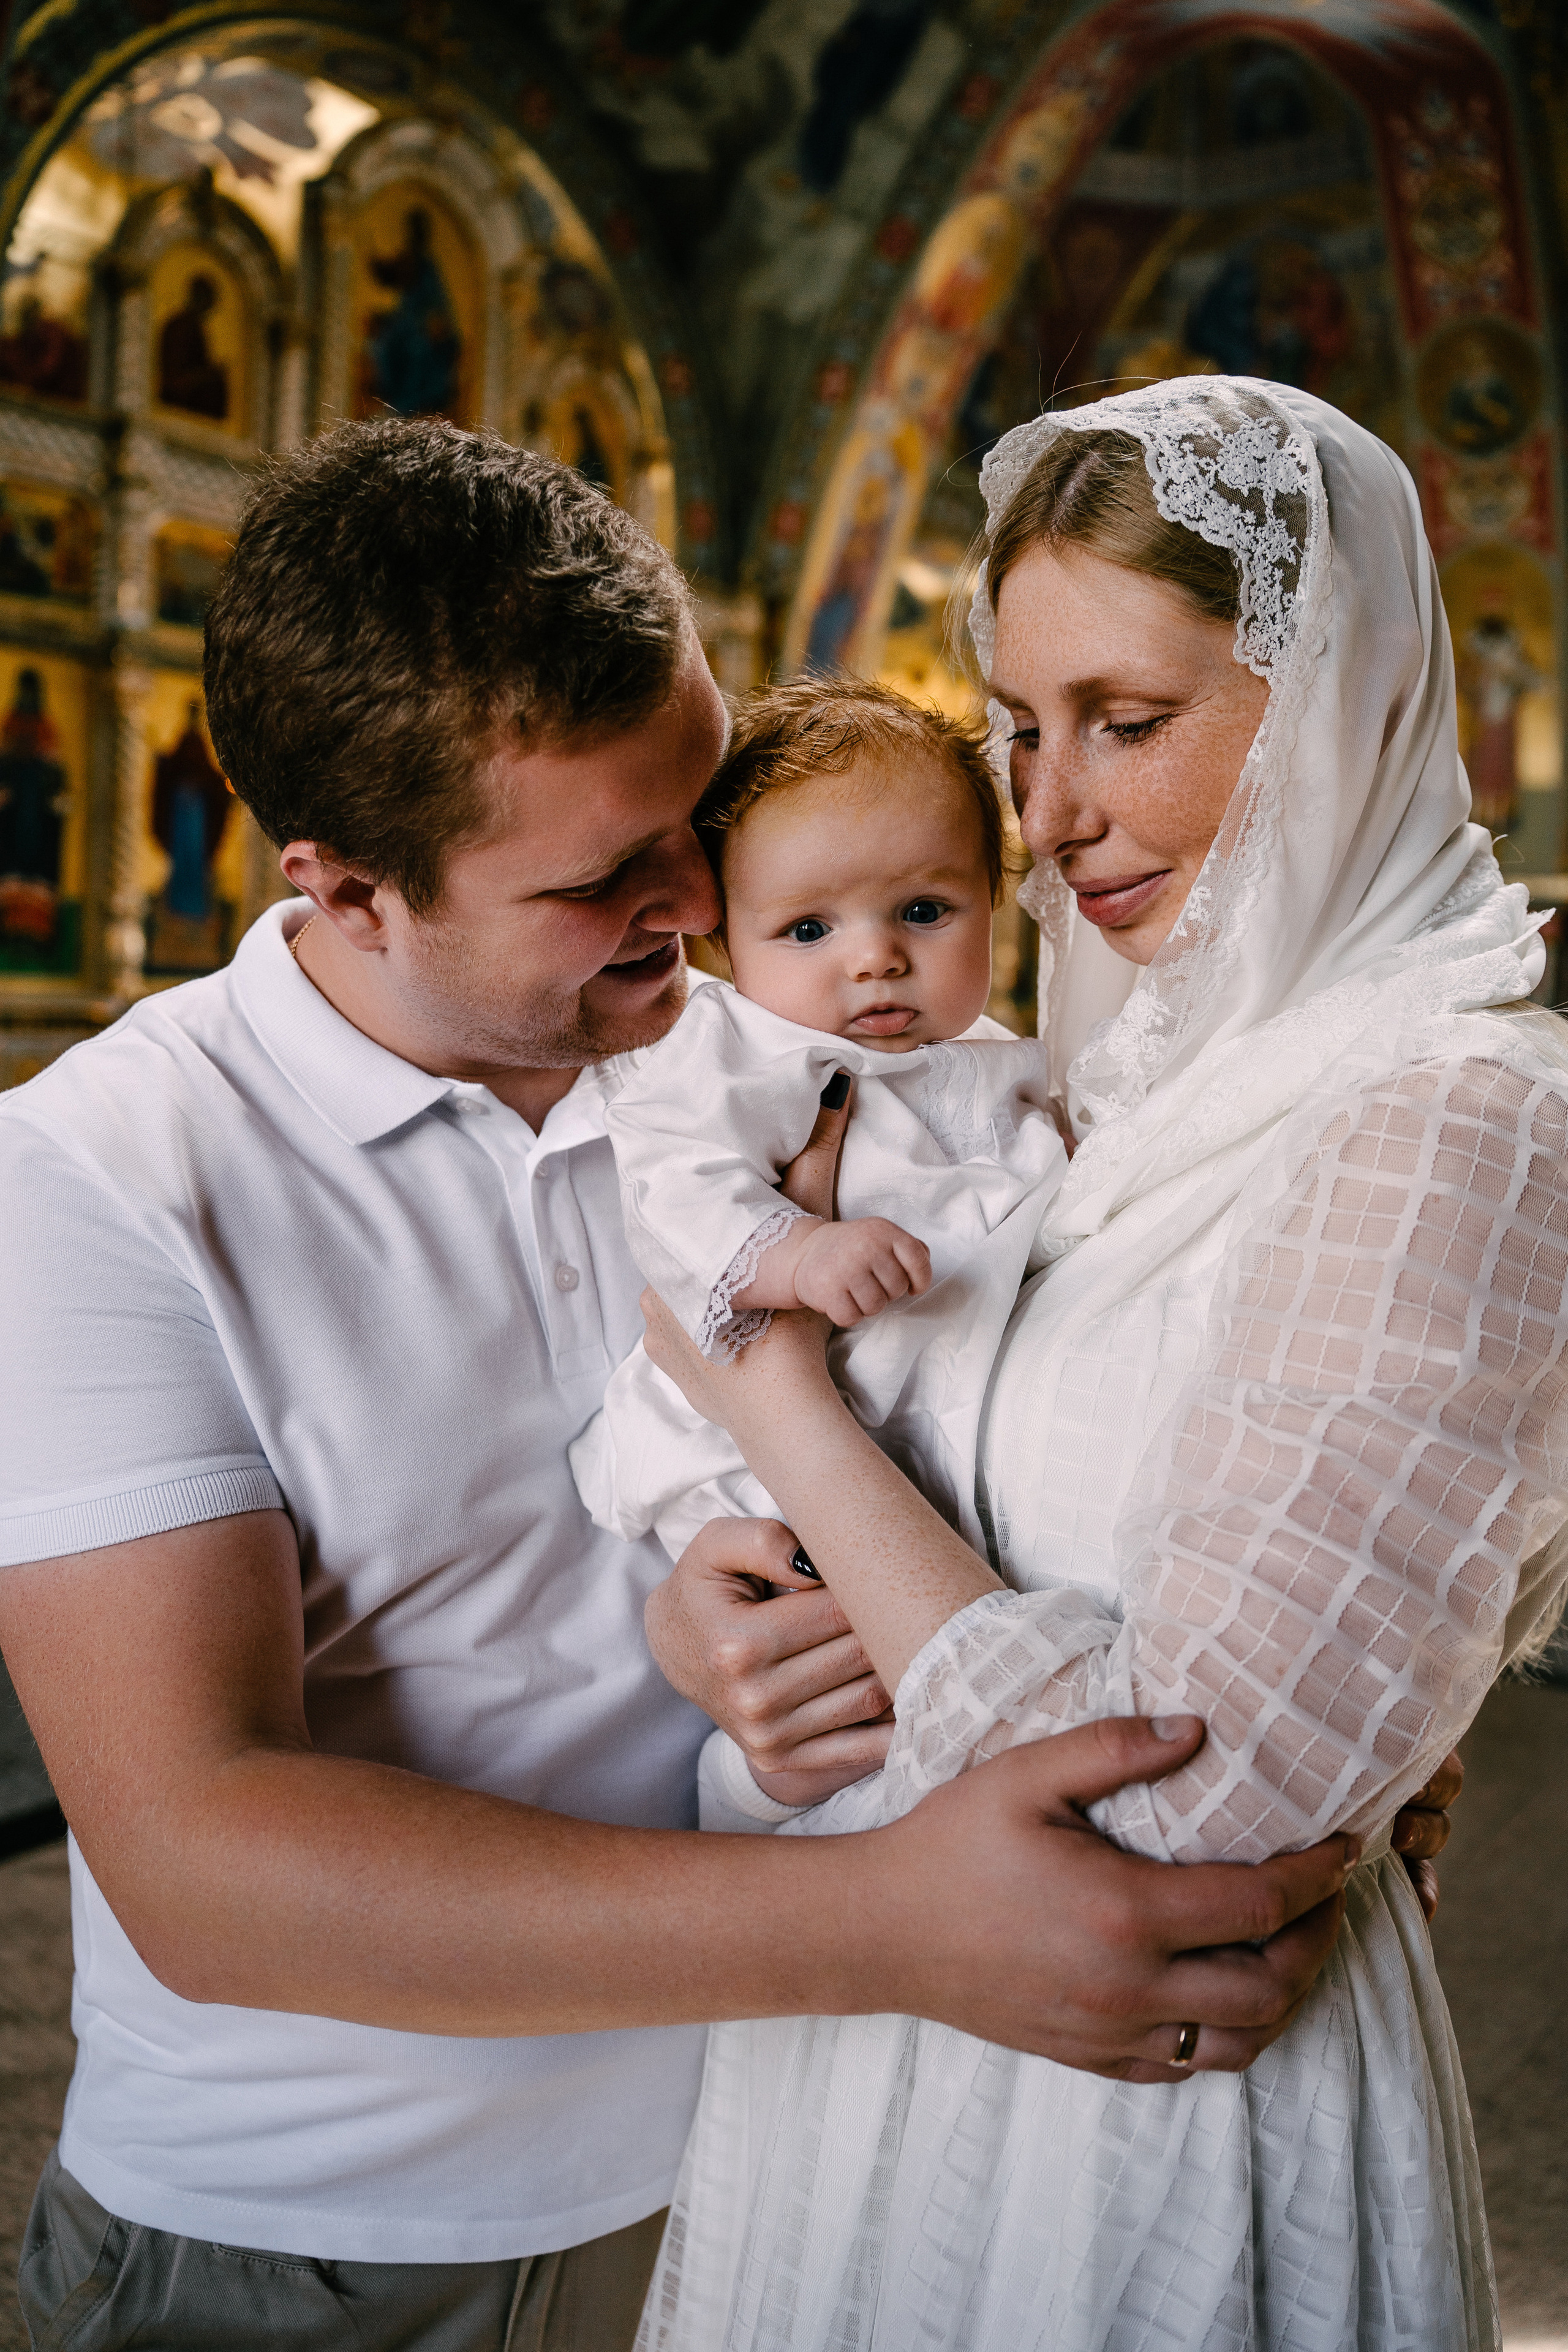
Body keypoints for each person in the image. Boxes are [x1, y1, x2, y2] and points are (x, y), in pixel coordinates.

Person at [0, 418, 1449, 2352]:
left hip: (778, 2158)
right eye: (612, 876)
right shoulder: (99, 1179)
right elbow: (203, 1861)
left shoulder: (760, 1046)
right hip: (331, 2231)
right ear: (349, 891)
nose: (707, 892)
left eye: (704, 799)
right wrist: (907, 1927)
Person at [633, 380, 1568, 2348]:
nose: (1047, 818)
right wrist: (720, 1626)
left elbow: (1185, 1821)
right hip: (877, 2025)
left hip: (1152, 2114)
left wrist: (779, 1413)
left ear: (1340, 695)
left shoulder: (1457, 1111)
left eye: (1126, 725)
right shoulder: (1101, 1090)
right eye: (1021, 732)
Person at [571, 676, 1065, 1564]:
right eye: (807, 930)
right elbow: (670, 1181)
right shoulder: (747, 1049)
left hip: (925, 1432)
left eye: (924, 912)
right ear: (724, 943)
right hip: (743, 1454)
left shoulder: (996, 1060)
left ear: (992, 906)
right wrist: (795, 1254)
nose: (876, 957)